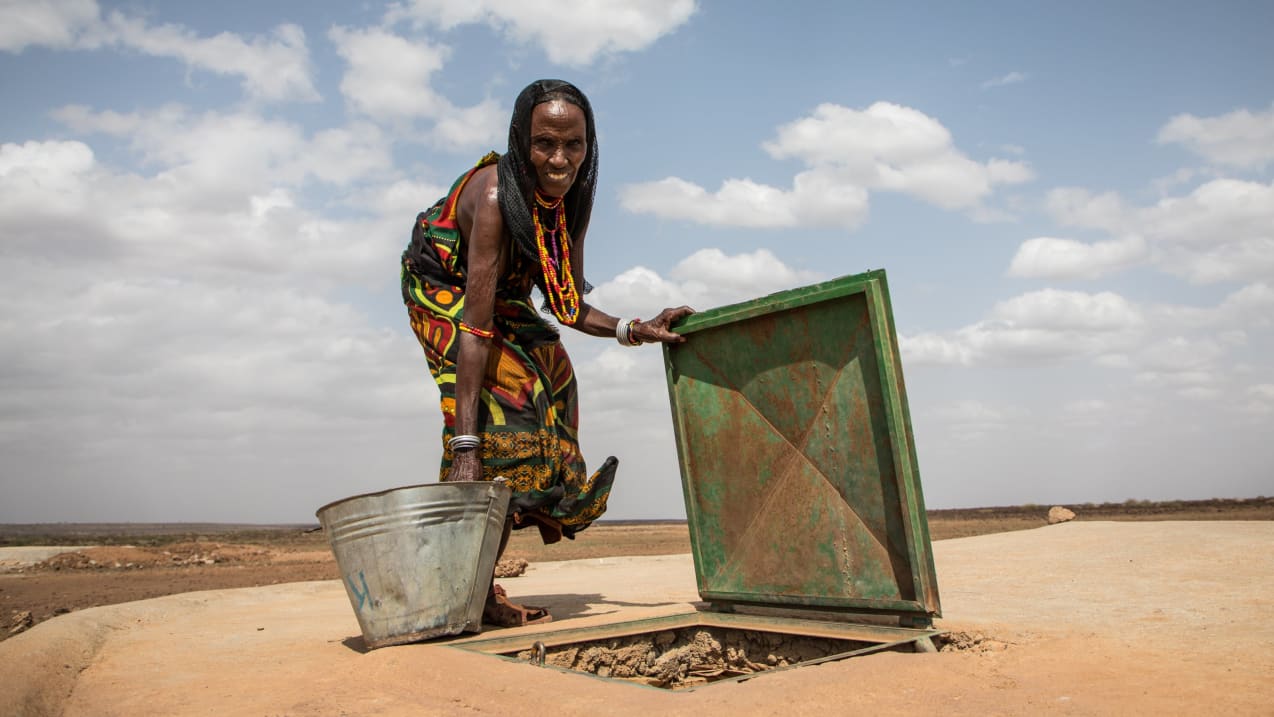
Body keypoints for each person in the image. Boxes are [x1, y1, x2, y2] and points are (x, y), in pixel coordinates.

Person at [400, 79, 693, 626]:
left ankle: (503, 531)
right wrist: (466, 444)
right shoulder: (493, 197)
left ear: (589, 145)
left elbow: (569, 305)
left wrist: (636, 328)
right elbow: (476, 328)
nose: (559, 159)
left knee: (555, 377)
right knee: (505, 405)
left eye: (574, 145)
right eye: (544, 144)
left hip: (499, 296)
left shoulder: (572, 200)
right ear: (520, 142)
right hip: (442, 288)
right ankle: (472, 589)